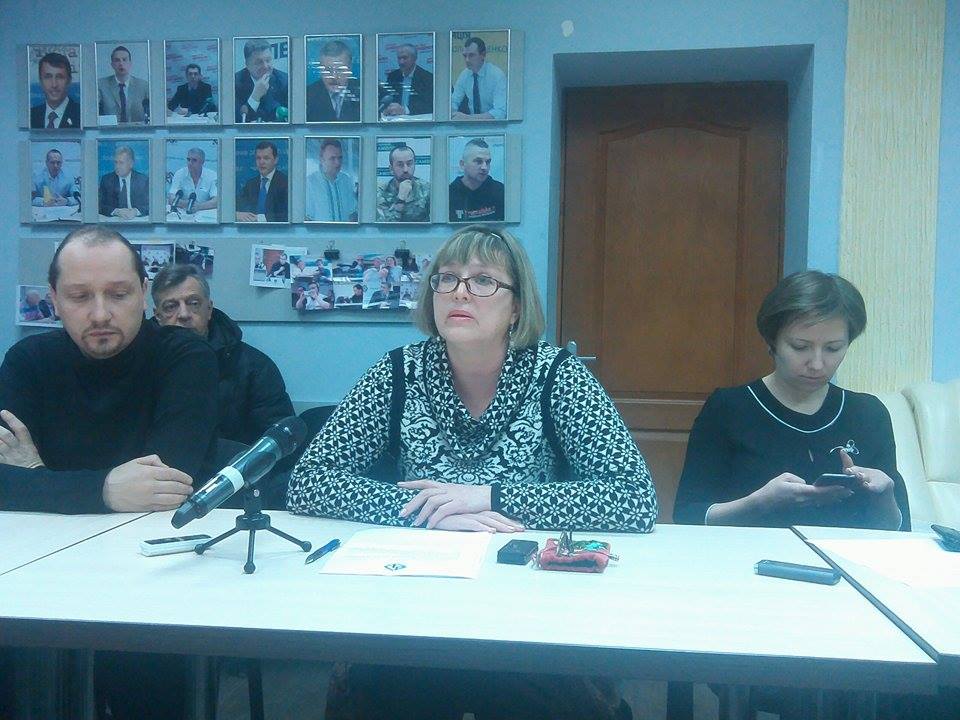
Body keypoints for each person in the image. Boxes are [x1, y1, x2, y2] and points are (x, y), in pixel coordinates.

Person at [289, 225, 656, 719]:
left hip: (530, 606)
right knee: (374, 694)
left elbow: (633, 497)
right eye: (447, 278)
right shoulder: (397, 371)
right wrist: (426, 510)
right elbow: (309, 480)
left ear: (517, 306)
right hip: (416, 600)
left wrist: (489, 496)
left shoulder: (557, 375)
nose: (459, 292)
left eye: (483, 280)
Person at [674, 270, 910, 530]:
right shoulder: (728, 408)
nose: (817, 364)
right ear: (772, 342)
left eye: (833, 348)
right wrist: (759, 503)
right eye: (800, 347)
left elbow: (900, 529)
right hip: (750, 553)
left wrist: (885, 495)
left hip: (844, 554)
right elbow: (688, 515)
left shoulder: (868, 413)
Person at [152, 264, 293, 446]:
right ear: (158, 316)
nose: (184, 314)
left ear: (209, 309)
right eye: (171, 306)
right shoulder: (140, 364)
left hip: (235, 463)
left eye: (194, 303)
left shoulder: (255, 367)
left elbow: (278, 442)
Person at [450, 36, 507, 120]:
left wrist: (468, 118)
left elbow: (500, 112)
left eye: (471, 55)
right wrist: (450, 113)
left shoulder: (497, 75)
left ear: (483, 55)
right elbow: (453, 102)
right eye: (465, 56)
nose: (467, 60)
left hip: (494, 125)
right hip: (472, 125)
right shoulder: (464, 75)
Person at [449, 138, 505, 222]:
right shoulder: (449, 194)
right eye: (478, 162)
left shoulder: (500, 191)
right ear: (462, 164)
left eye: (488, 162)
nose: (484, 167)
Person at [234, 38, 289, 123]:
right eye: (259, 62)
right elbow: (236, 120)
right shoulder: (235, 83)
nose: (265, 66)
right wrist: (255, 97)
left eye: (268, 60)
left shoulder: (285, 81)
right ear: (247, 65)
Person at [306, 40, 360, 122]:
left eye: (340, 70)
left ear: (350, 68)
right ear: (320, 70)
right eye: (328, 70)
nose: (334, 77)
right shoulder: (307, 96)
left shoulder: (364, 93)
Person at [305, 139, 358, 222]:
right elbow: (307, 218)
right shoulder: (310, 183)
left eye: (340, 158)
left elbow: (352, 214)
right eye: (332, 158)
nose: (338, 163)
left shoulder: (346, 180)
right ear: (322, 159)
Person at [236, 141, 288, 222]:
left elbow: (287, 215)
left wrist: (259, 219)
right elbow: (237, 204)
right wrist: (236, 214)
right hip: (250, 229)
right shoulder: (251, 184)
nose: (261, 162)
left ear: (276, 160)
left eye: (266, 158)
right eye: (258, 158)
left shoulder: (286, 183)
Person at [376, 144, 430, 222]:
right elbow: (384, 225)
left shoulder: (426, 189)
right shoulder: (381, 192)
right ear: (391, 169)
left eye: (409, 164)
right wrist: (401, 199)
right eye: (400, 165)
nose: (405, 169)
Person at [378, 43, 433, 118]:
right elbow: (385, 98)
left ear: (414, 58)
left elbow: (429, 105)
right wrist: (386, 108)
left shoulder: (427, 78)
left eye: (405, 58)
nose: (401, 62)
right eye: (399, 58)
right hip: (394, 119)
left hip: (417, 120)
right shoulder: (393, 76)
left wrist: (405, 110)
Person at [98, 45, 150, 124]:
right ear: (112, 64)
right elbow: (91, 112)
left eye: (124, 60)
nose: (121, 63)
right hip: (110, 130)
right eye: (117, 60)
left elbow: (158, 111)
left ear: (130, 63)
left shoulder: (143, 86)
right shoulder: (101, 85)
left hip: (138, 129)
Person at [30, 52, 81, 129]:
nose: (54, 85)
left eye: (60, 77)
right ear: (40, 81)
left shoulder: (81, 114)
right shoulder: (31, 116)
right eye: (48, 77)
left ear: (69, 81)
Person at [98, 145, 149, 220]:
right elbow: (99, 205)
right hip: (114, 222)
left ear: (131, 164)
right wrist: (117, 211)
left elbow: (151, 205)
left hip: (136, 221)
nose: (117, 166)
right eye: (116, 162)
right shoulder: (106, 180)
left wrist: (135, 211)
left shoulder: (143, 180)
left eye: (121, 163)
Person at [167, 147, 218, 215]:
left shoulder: (212, 176)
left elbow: (217, 201)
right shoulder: (179, 173)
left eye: (194, 160)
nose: (190, 163)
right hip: (183, 213)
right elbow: (171, 198)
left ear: (202, 162)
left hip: (204, 214)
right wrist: (187, 204)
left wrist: (199, 206)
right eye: (188, 160)